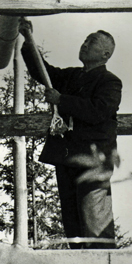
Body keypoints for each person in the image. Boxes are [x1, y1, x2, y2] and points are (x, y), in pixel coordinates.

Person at [19, 19, 122, 249]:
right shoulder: (72, 76)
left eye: (91, 41)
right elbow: (42, 71)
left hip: (95, 161)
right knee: (72, 221)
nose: (84, 44)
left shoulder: (110, 82)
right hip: (67, 157)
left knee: (96, 220)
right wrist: (28, 40)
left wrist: (61, 100)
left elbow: (98, 111)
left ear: (105, 53)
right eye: (85, 40)